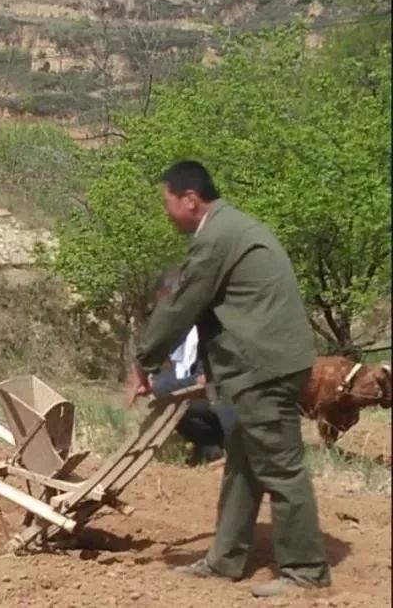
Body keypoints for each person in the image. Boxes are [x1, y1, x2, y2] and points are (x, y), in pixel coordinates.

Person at [128, 160, 330, 598]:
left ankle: (306, 572)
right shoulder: (234, 227)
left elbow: (181, 304)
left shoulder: (216, 238)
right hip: (263, 364)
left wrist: (144, 360)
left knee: (280, 468)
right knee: (243, 463)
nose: (166, 213)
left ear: (190, 199)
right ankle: (224, 561)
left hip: (262, 369)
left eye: (168, 203)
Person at [147, 270, 237, 466]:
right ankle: (210, 450)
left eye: (166, 304)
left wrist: (158, 386)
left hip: (234, 401)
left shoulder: (215, 325)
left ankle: (235, 452)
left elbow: (205, 379)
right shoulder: (185, 329)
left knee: (163, 391)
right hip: (212, 397)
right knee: (164, 391)